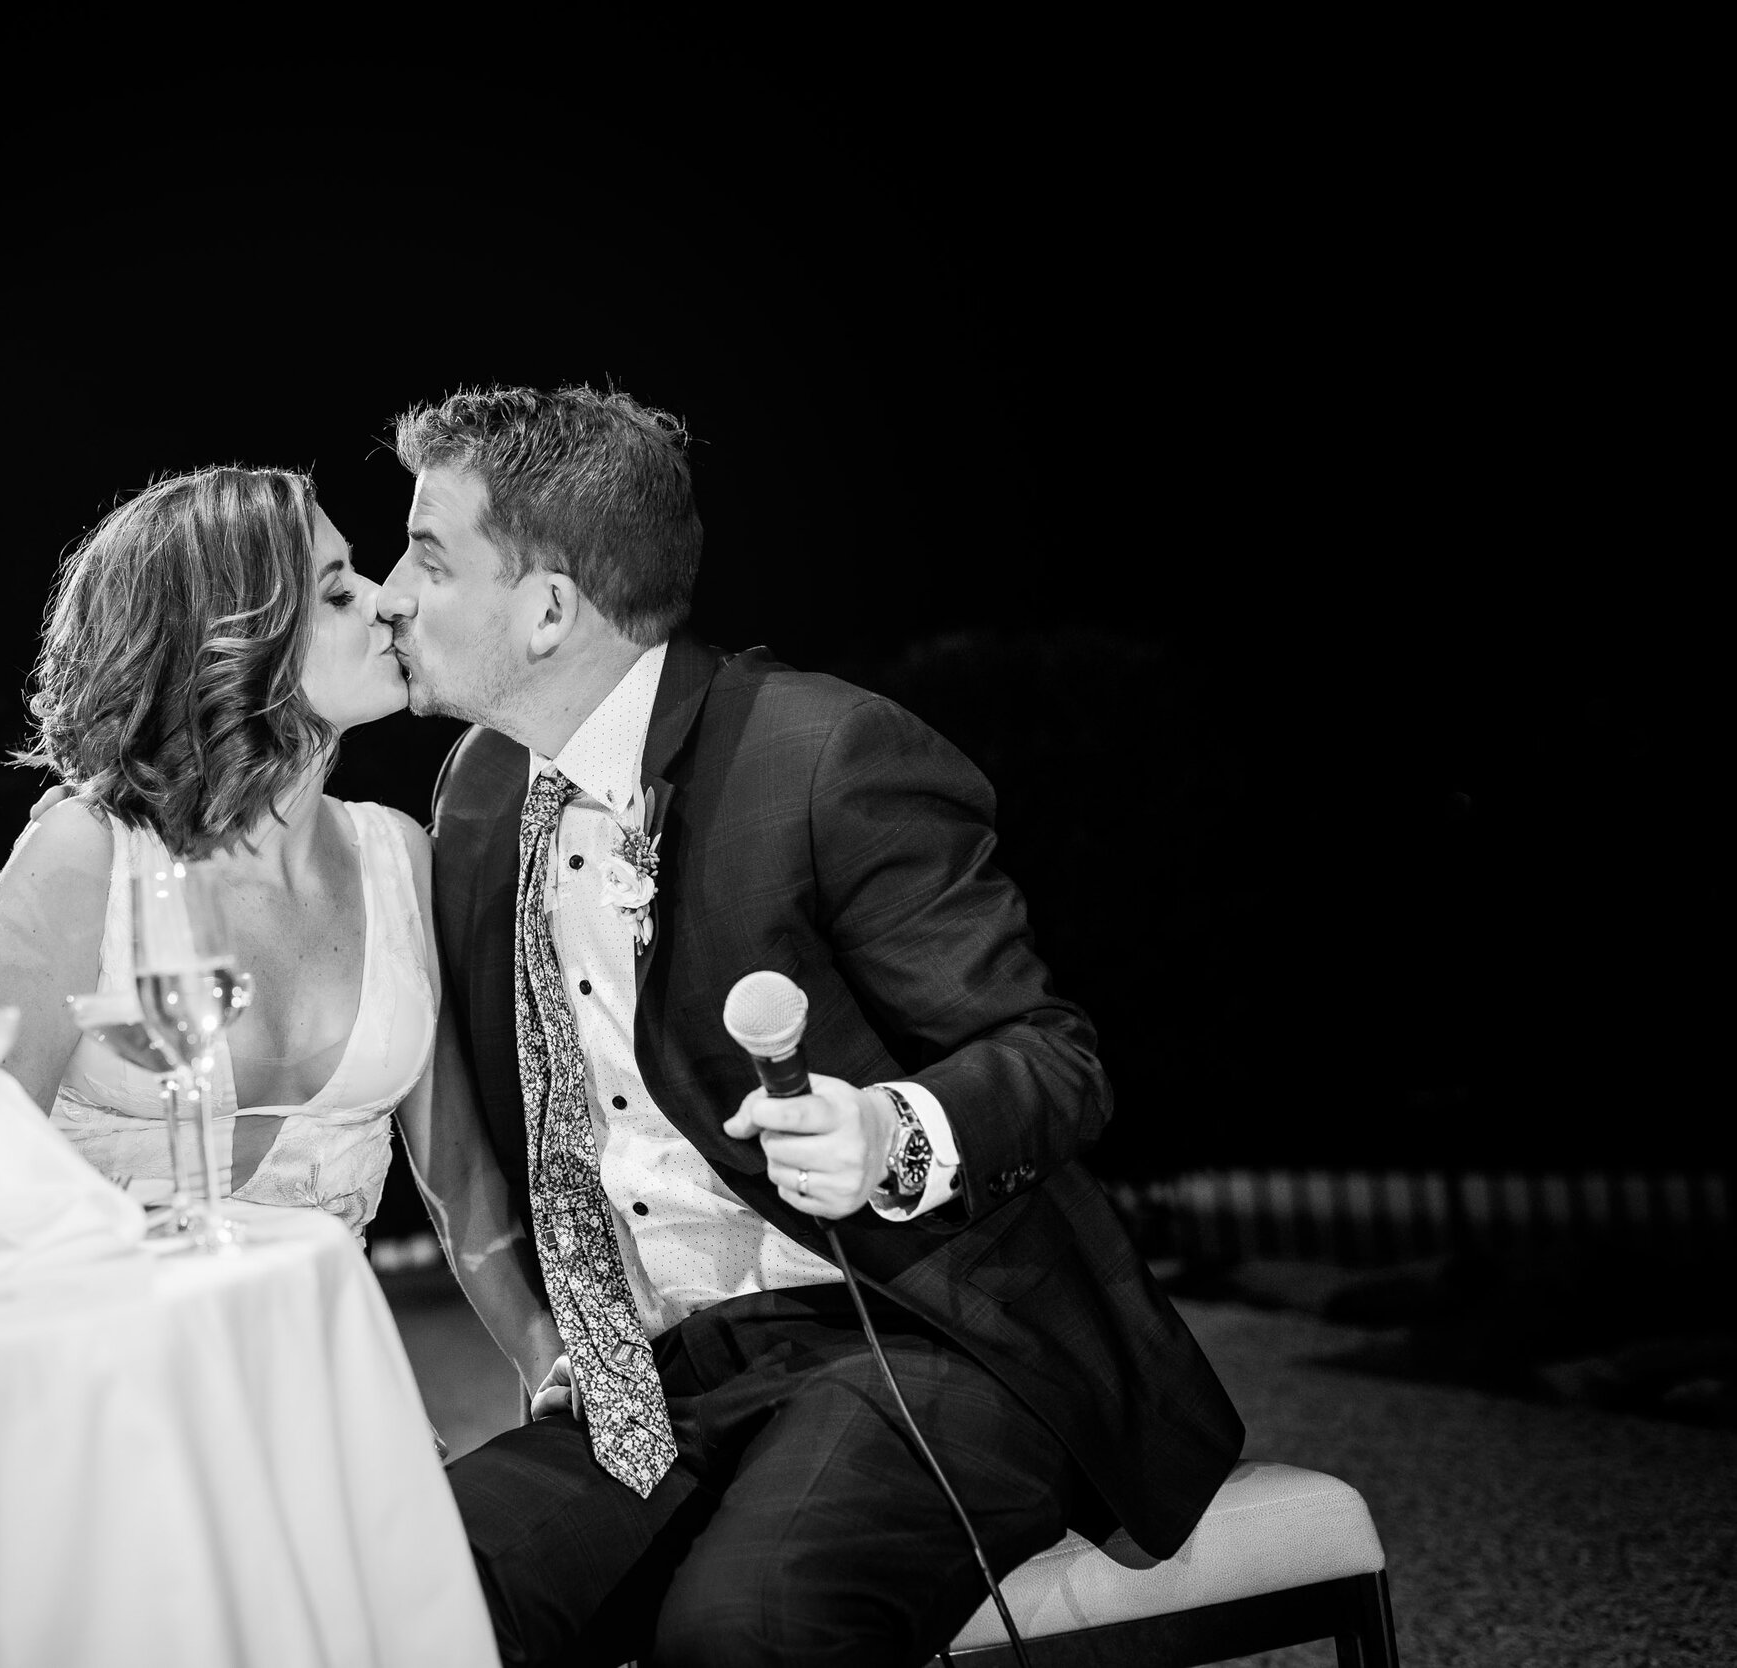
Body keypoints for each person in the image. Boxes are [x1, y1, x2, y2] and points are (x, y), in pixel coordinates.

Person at [378, 386, 1246, 1666]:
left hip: (918, 1338)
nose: (393, 592)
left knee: (744, 1633)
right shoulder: (481, 790)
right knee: (401, 1605)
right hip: (659, 1379)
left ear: (549, 608)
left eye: (426, 555)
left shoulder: (823, 752)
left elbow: (1051, 1054)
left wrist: (892, 1131)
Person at [0, 466, 475, 1240]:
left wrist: (541, 1353)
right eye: (337, 593)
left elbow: (461, 1180)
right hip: (114, 1341)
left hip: (324, 1342)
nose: (385, 601)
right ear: (230, 640)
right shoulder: (88, 856)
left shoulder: (399, 854)